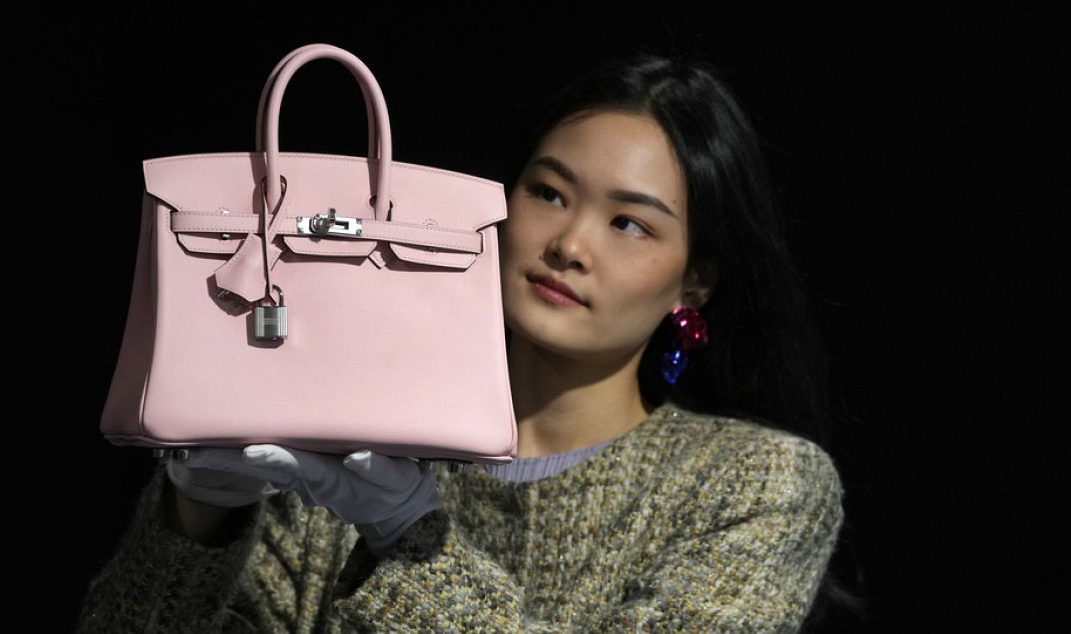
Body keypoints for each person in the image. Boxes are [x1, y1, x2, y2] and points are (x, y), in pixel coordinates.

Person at [75, 50, 847, 632]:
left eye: (629, 223)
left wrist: (413, 535)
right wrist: (196, 515)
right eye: (548, 192)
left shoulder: (756, 483)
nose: (569, 243)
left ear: (695, 281)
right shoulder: (336, 457)